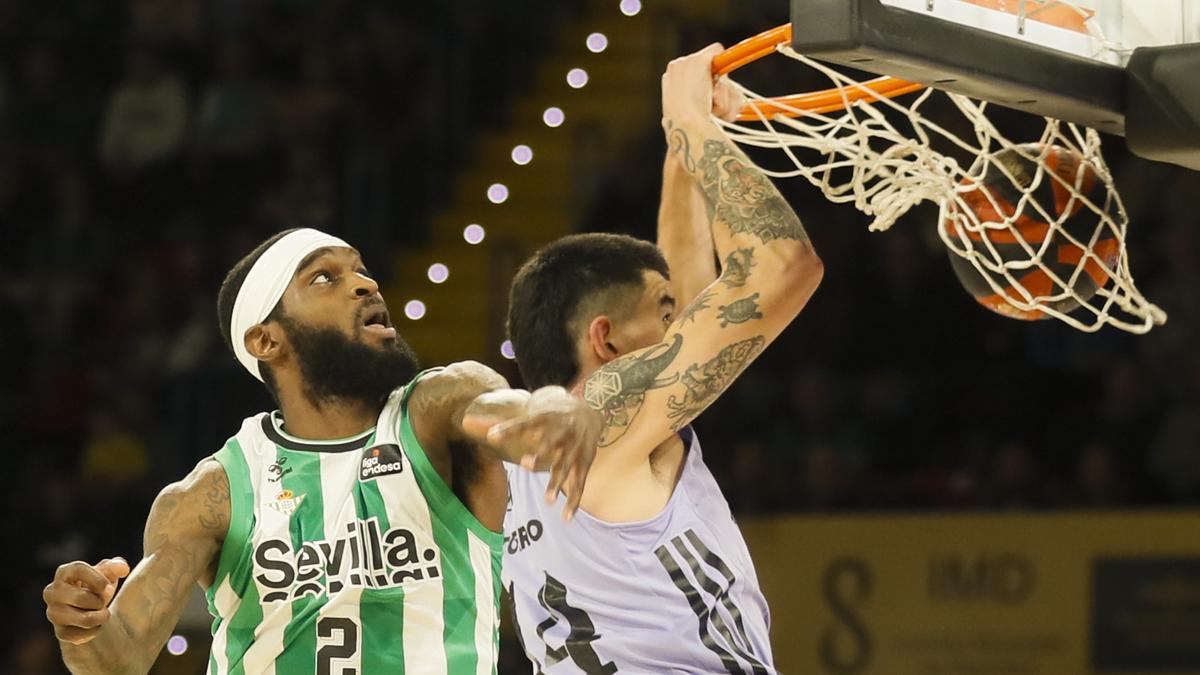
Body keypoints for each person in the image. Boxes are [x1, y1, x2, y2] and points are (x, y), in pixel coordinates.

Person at [43, 227, 603, 673]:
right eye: (324, 279)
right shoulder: (213, 492)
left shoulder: (434, 410)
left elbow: (506, 413)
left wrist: (551, 410)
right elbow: (119, 658)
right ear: (266, 340)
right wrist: (85, 627)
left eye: (361, 270)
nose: (365, 285)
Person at [502, 45, 824, 673]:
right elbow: (781, 269)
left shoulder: (517, 461)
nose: (685, 323)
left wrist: (685, 159)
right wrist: (690, 122)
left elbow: (706, 299)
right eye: (665, 312)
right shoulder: (606, 409)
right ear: (606, 341)